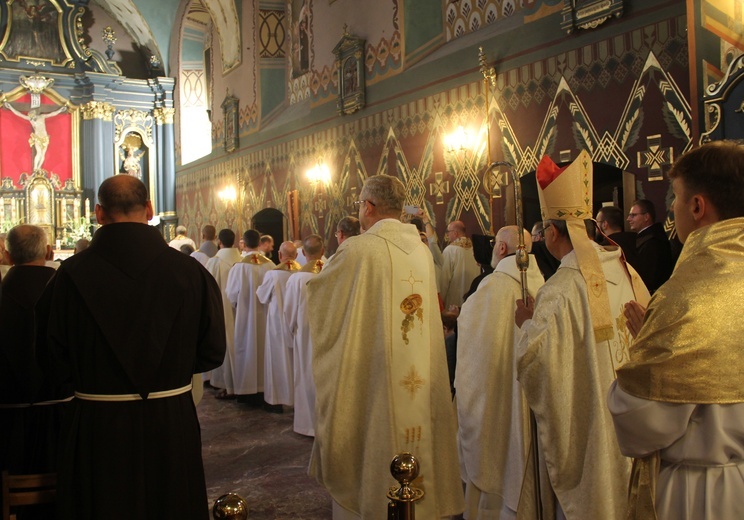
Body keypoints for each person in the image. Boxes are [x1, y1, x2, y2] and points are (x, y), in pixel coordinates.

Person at [41, 174, 226, 519]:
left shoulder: (69, 275)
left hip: (97, 425)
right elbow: (212, 351)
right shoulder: (190, 272)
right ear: (150, 209)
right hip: (169, 420)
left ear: (98, 213)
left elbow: (51, 356)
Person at [306, 174, 464, 519]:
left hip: (377, 375)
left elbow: (321, 301)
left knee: (375, 438)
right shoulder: (421, 251)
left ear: (368, 206)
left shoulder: (359, 249)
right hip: (418, 370)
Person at [608, 140, 744, 520]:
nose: (672, 210)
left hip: (702, 495)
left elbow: (641, 421)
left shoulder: (684, 296)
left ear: (698, 207)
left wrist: (646, 351)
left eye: (677, 200)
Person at [514, 151, 650, 519]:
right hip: (637, 423)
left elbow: (536, 362)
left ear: (554, 232)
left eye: (544, 233)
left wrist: (526, 324)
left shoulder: (560, 290)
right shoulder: (627, 272)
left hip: (596, 435)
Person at [456, 226, 544, 519]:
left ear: (503, 249)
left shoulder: (494, 287)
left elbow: (472, 338)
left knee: (498, 444)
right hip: (530, 391)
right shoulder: (542, 284)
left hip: (497, 389)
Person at [1, 225, 72, 481]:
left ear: (7, 256)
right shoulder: (72, 297)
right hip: (65, 427)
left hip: (7, 431)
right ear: (50, 252)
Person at [225, 229, 274, 404]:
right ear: (259, 243)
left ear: (244, 243)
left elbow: (231, 295)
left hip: (245, 317)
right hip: (266, 318)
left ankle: (246, 392)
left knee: (245, 351)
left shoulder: (239, 267)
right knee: (264, 351)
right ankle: (264, 390)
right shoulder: (269, 265)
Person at [283, 235, 325, 436]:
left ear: (303, 253)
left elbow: (289, 311)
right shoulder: (332, 272)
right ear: (323, 252)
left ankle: (308, 425)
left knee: (306, 375)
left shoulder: (297, 279)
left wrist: (289, 333)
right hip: (329, 335)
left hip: (305, 335)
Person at [256, 241, 301, 411]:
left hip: (277, 324)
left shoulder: (273, 274)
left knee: (278, 360)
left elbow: (262, 296)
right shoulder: (302, 272)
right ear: (296, 256)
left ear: (280, 256)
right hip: (297, 324)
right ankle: (297, 400)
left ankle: (279, 399)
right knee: (296, 360)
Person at [205, 229, 244, 400]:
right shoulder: (243, 261)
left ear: (219, 242)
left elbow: (207, 289)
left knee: (227, 345)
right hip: (243, 312)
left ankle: (229, 386)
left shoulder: (214, 263)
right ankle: (244, 384)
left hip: (222, 310)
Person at [4, 101, 68, 172]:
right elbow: (19, 114)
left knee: (43, 154)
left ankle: (39, 168)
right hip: (37, 138)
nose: (32, 118)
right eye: (31, 117)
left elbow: (52, 114)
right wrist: (10, 107)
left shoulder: (42, 117)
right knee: (39, 153)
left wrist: (59, 110)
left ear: (34, 114)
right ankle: (35, 168)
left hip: (45, 137)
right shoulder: (31, 120)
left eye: (33, 116)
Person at [627, 199, 673, 293]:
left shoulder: (653, 242)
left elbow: (648, 280)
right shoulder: (650, 239)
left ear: (646, 217)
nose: (628, 219)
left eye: (633, 215)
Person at [440, 220, 481, 308]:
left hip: (454, 303)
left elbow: (444, 279)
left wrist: (440, 301)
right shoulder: (475, 249)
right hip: (473, 301)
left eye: (448, 232)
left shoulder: (450, 250)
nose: (448, 235)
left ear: (455, 233)